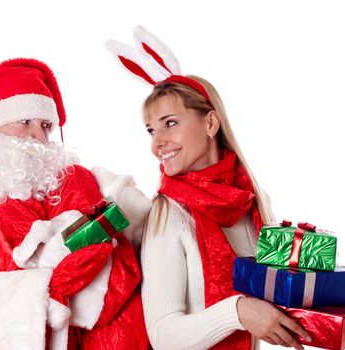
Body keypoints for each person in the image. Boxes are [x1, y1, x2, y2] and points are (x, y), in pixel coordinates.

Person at [106, 26, 313, 350]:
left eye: (170, 123)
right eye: (151, 130)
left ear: (211, 123)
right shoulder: (169, 214)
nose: (157, 143)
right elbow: (163, 336)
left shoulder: (251, 202)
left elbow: (274, 292)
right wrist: (238, 312)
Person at [0, 58, 151, 350]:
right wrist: (53, 291)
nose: (37, 135)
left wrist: (32, 290)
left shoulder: (77, 182)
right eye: (24, 122)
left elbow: (118, 273)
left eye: (45, 125)